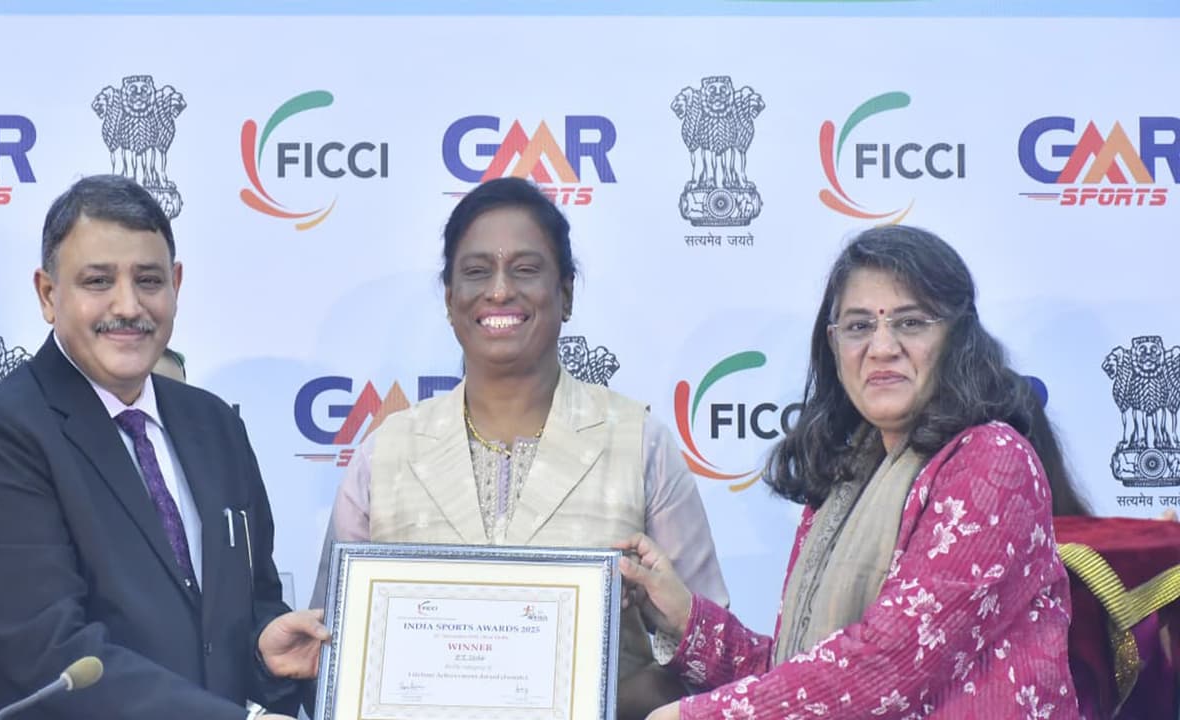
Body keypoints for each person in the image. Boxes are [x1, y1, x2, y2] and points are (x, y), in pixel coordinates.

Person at [618, 225, 1078, 718]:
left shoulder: (991, 460)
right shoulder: (846, 479)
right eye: (859, 326)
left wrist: (699, 717)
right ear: (833, 348)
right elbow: (795, 675)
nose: (882, 347)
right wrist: (686, 617)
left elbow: (889, 664)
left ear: (957, 338)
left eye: (911, 323)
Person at [311, 177, 728, 719]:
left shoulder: (637, 444)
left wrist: (587, 705)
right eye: (477, 271)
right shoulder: (385, 454)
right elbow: (331, 652)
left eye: (526, 269)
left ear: (567, 292)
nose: (500, 291)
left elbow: (711, 653)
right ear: (450, 298)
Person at [0, 175, 328, 720]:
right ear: (49, 295)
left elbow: (246, 602)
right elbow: (46, 655)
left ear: (176, 285)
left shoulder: (214, 425)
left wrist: (262, 650)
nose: (129, 305)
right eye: (98, 281)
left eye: (148, 279)